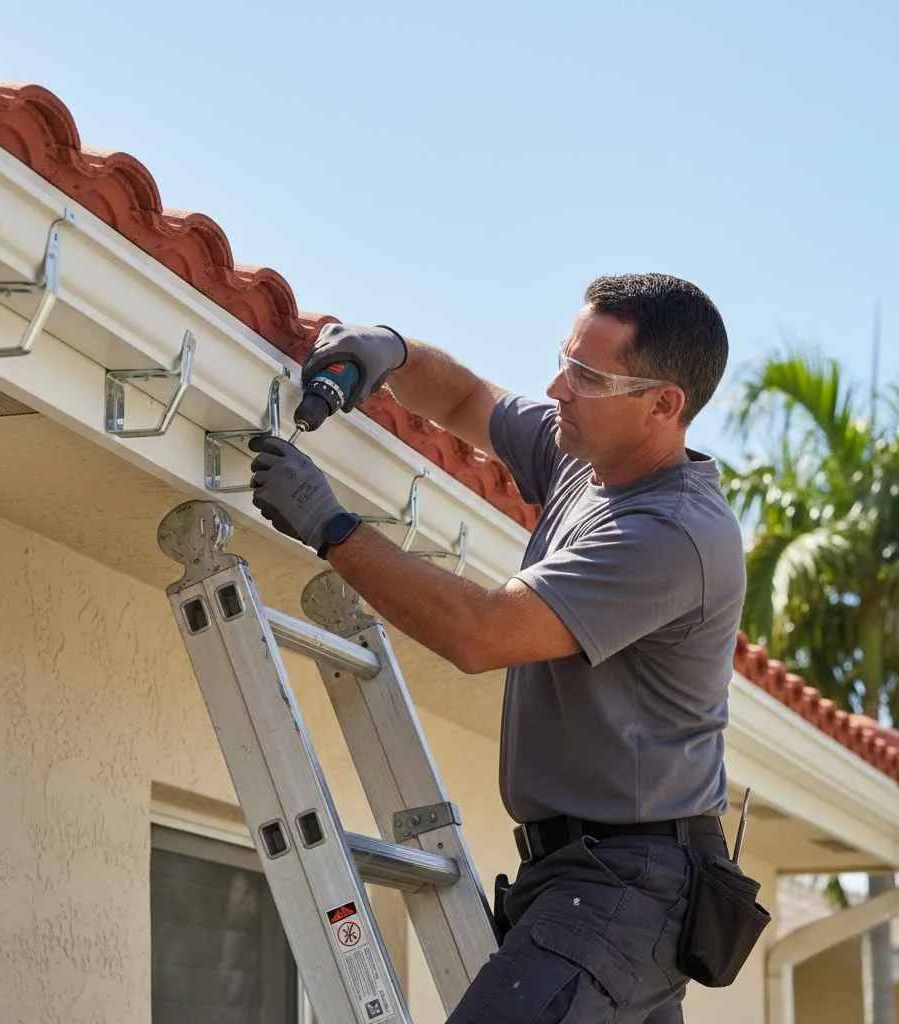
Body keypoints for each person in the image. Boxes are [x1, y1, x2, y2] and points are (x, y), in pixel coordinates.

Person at [248, 272, 746, 1023]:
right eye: (564, 359)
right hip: (583, 879)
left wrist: (331, 526)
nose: (558, 386)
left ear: (663, 405)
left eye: (586, 374)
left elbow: (480, 634)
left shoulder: (671, 533)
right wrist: (389, 350)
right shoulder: (586, 459)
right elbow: (464, 401)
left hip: (625, 890)